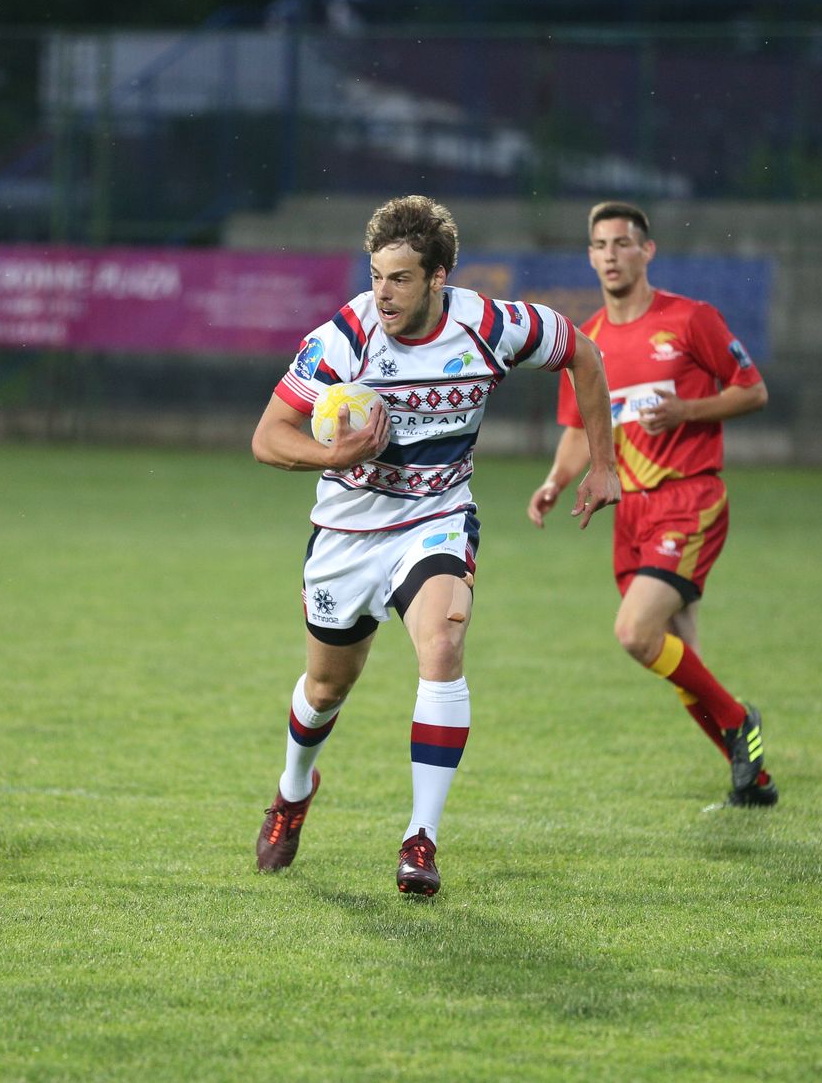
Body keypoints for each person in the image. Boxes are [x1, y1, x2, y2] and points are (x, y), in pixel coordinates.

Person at [251, 194, 619, 896]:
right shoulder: (345, 338)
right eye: (375, 276)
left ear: (438, 278)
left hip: (436, 519)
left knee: (444, 642)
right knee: (327, 687)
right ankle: (293, 791)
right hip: (348, 533)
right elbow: (267, 438)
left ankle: (420, 839)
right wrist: (335, 456)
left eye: (400, 278)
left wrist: (603, 464)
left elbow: (585, 353)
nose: (383, 293)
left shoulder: (491, 326)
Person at [528, 202, 775, 808]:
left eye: (622, 243)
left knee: (636, 633)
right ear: (590, 257)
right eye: (600, 245)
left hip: (689, 499)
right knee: (683, 659)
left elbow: (753, 391)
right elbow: (580, 430)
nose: (611, 255)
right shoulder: (586, 345)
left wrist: (688, 409)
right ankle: (754, 781)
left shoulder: (691, 320)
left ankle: (738, 719)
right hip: (631, 514)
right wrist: (556, 481)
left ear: (647, 251)